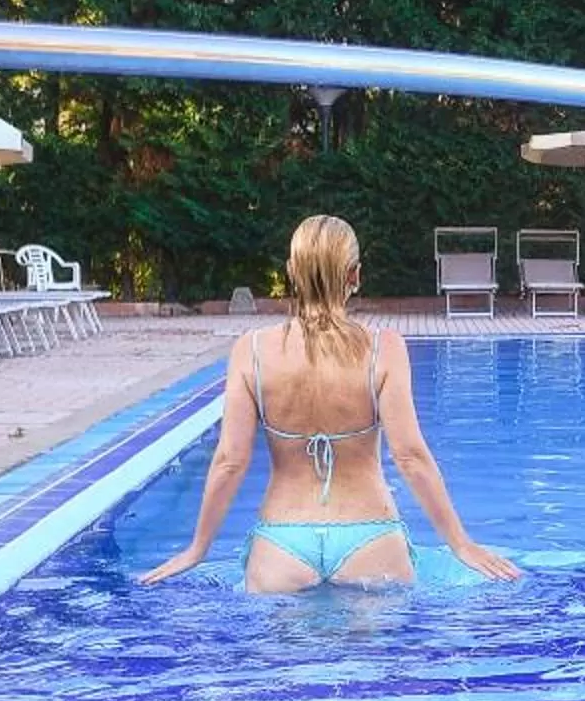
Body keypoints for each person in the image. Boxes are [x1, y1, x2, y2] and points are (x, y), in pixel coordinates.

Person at [139, 215, 519, 590]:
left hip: (282, 542)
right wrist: (461, 544)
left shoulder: (251, 351)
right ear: (354, 274)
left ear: (291, 271)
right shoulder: (383, 349)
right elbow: (410, 457)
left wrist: (197, 548)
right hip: (371, 538)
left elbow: (230, 462)